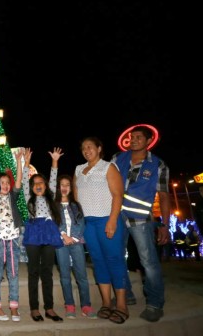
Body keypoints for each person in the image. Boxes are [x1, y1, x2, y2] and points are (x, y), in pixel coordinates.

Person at [111, 125, 171, 322]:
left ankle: (155, 303)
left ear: (148, 141)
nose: (133, 140)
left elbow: (163, 196)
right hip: (116, 215)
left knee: (149, 262)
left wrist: (164, 224)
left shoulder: (158, 165)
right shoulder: (118, 158)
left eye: (138, 137)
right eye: (131, 136)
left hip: (141, 220)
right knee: (116, 256)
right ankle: (125, 294)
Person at [74, 136, 128, 325]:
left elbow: (118, 195)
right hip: (88, 223)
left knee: (114, 259)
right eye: (83, 148)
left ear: (99, 148)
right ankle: (106, 302)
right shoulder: (79, 169)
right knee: (97, 261)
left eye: (90, 147)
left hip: (107, 219)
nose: (86, 150)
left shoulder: (108, 167)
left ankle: (121, 304)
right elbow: (76, 198)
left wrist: (113, 220)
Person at [21, 147, 64, 323]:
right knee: (33, 271)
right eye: (35, 184)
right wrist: (26, 163)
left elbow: (54, 179)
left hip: (48, 232)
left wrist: (55, 161)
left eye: (41, 183)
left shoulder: (50, 198)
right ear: (32, 188)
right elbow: (24, 181)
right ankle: (34, 308)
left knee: (47, 271)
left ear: (46, 187)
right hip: (33, 232)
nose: (38, 185)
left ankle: (49, 308)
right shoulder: (28, 198)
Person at [54, 174, 97, 319]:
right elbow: (54, 222)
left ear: (71, 188)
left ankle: (86, 305)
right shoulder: (54, 205)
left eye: (68, 185)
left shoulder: (76, 205)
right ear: (57, 187)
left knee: (82, 275)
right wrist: (64, 236)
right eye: (62, 184)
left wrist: (73, 237)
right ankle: (70, 305)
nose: (65, 187)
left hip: (77, 242)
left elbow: (81, 222)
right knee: (65, 276)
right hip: (61, 243)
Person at [0, 148, 23, 322]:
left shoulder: (12, 197)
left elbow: (18, 182)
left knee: (13, 273)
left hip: (14, 240)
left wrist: (18, 161)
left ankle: (14, 307)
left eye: (6, 182)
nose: (5, 185)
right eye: (1, 182)